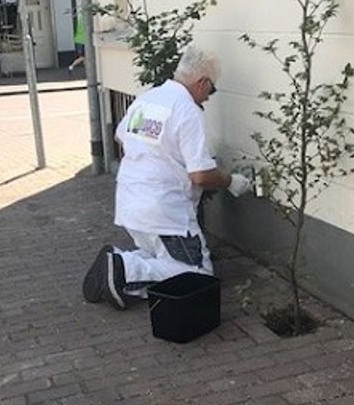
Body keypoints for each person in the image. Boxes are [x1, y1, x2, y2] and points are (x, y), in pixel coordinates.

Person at [82, 45, 252, 310]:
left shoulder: (148, 98)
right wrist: (231, 181)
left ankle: (120, 265)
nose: (208, 98)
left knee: (163, 259)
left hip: (131, 204)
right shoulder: (187, 110)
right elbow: (200, 175)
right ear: (202, 82)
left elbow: (120, 135)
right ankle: (126, 268)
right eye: (211, 90)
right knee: (199, 277)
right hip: (165, 213)